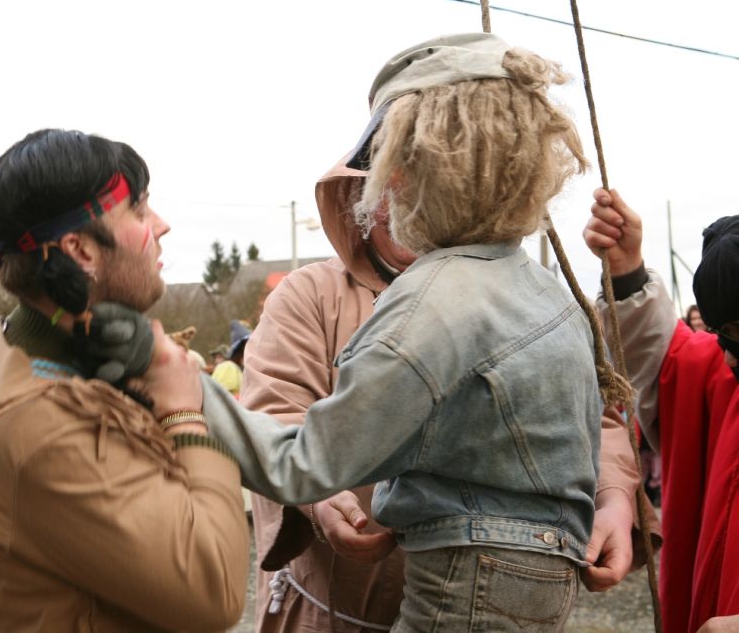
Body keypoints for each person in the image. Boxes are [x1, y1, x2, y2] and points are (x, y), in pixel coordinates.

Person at [145, 33, 616, 629]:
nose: (384, 186)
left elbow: (305, 464)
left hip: (463, 592)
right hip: (543, 585)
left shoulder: (430, 300)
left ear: (424, 172)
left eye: (393, 164)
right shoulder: (550, 295)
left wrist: (188, 390)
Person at [242, 155, 654, 628]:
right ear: (358, 199)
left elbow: (592, 417)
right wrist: (317, 498)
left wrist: (614, 498)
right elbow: (274, 407)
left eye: (423, 186)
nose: (404, 204)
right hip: (331, 614)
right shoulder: (308, 295)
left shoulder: (531, 298)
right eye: (386, 188)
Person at [0, 129, 249, 631]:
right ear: (80, 249)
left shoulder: (52, 354)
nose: (162, 225)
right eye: (140, 211)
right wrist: (183, 412)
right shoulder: (45, 423)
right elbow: (215, 591)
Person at [584, 189, 739, 632]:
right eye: (722, 333)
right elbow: (669, 362)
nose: (729, 356)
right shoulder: (723, 373)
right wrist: (627, 272)